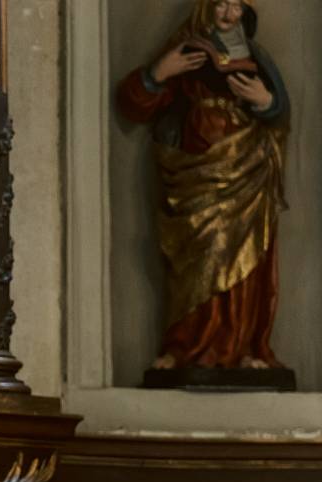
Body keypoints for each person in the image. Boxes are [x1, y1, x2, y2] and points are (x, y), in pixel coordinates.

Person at [116, 0, 290, 371]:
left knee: (244, 256)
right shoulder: (187, 48)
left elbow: (281, 112)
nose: (227, 15)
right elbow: (133, 104)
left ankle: (243, 347)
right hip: (195, 165)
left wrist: (265, 101)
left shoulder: (257, 56)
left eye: (236, 8)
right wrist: (158, 73)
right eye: (221, 5)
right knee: (198, 254)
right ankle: (184, 347)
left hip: (248, 165)